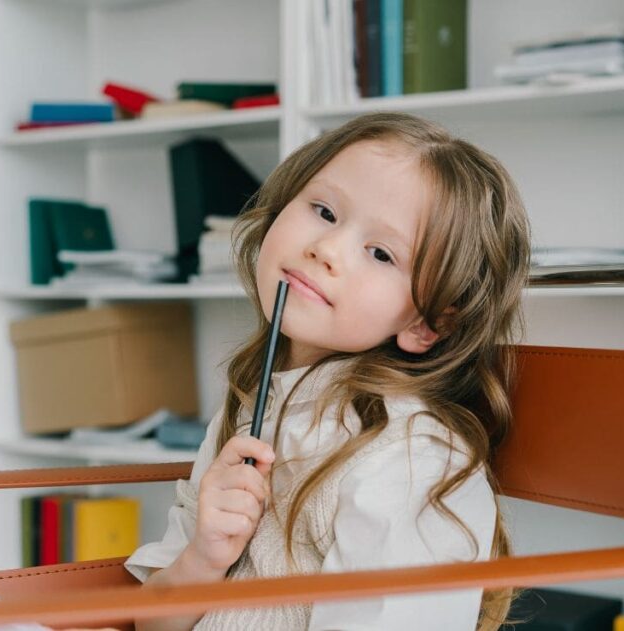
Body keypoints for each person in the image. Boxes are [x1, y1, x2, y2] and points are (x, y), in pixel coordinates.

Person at [125, 111, 531, 631]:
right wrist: (204, 556)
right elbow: (153, 625)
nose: (326, 249)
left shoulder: (408, 461)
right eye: (323, 210)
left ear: (426, 324)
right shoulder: (253, 403)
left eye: (381, 253)